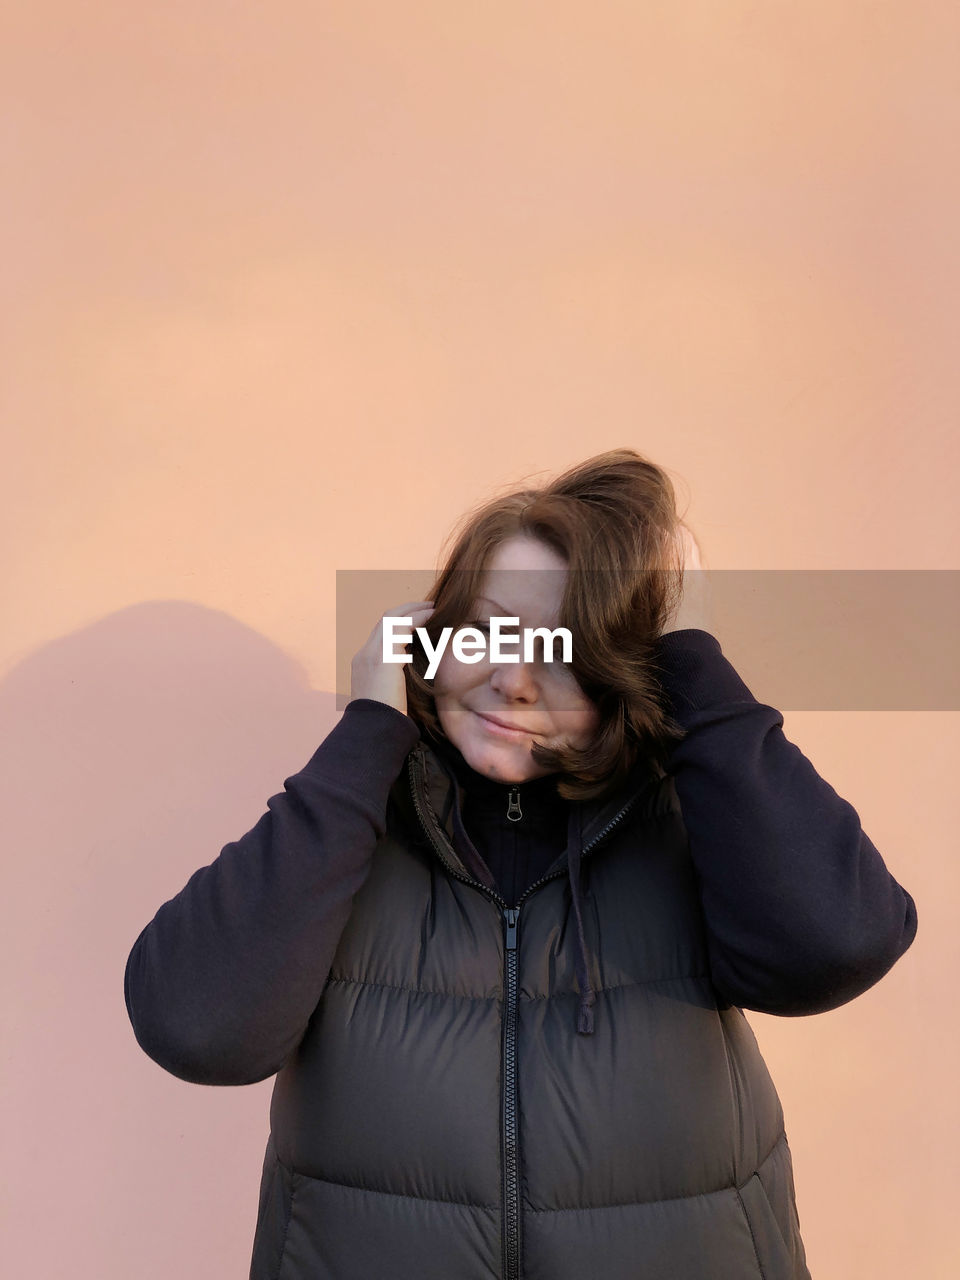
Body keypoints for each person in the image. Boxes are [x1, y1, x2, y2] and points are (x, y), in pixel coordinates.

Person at [123, 448, 918, 1280]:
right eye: (490, 632)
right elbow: (197, 1027)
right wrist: (366, 731)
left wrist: (694, 660)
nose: (514, 681)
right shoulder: (343, 830)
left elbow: (839, 945)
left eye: (568, 652)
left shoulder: (707, 818)